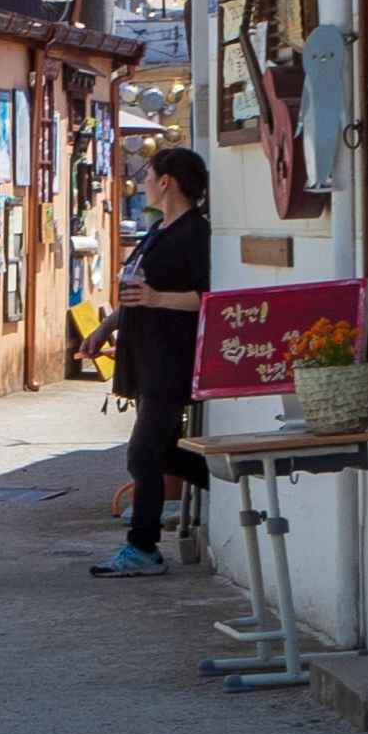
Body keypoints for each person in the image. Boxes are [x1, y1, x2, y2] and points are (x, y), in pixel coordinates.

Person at [101, 142, 214, 574]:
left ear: (166, 182)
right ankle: (239, 479)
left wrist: (157, 297)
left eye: (147, 178)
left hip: (173, 357)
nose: (142, 185)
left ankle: (143, 547)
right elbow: (136, 292)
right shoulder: (158, 230)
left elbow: (208, 298)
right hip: (146, 356)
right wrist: (104, 329)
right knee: (163, 452)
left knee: (143, 454)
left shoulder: (194, 234)